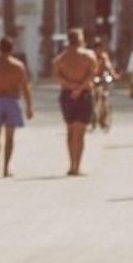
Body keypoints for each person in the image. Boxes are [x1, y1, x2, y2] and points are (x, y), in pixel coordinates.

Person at [0, 36, 34, 177]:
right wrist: (29, 107)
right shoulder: (18, 66)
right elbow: (25, 88)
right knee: (9, 137)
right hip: (12, 101)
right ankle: (6, 168)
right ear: (12, 49)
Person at [53, 29, 98, 176]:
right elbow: (92, 74)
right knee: (80, 132)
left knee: (70, 130)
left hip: (67, 94)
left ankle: (71, 165)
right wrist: (80, 87)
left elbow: (56, 75)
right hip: (84, 93)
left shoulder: (61, 58)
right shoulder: (89, 55)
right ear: (80, 39)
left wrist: (70, 85)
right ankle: (77, 166)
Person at [90, 37, 118, 131]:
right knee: (92, 97)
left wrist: (113, 75)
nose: (99, 50)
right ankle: (92, 117)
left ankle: (104, 118)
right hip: (93, 79)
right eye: (97, 48)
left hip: (102, 79)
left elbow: (109, 66)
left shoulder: (104, 56)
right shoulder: (91, 56)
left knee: (104, 96)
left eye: (100, 48)